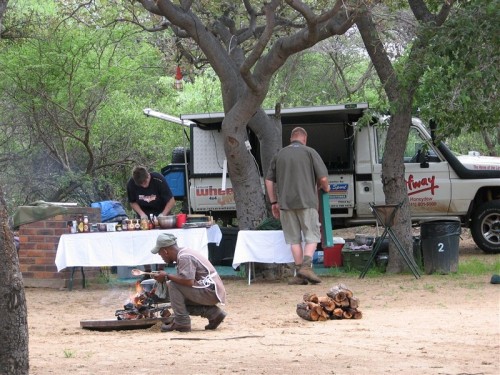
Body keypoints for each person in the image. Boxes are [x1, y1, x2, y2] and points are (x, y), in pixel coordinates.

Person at [265, 126, 330, 285]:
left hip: (286, 205)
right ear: (304, 139)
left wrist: (274, 202)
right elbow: (322, 179)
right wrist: (326, 188)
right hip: (307, 202)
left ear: (291, 139)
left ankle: (300, 274)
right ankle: (306, 268)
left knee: (294, 240)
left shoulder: (279, 154)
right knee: (312, 236)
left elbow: (268, 180)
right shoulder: (310, 152)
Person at [150, 233, 227, 332]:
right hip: (210, 290)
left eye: (160, 253)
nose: (161, 257)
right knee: (177, 300)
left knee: (173, 286)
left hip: (210, 291)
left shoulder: (184, 257)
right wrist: (161, 285)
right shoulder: (183, 253)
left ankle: (182, 323)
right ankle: (214, 314)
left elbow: (188, 281)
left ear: (165, 251)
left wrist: (166, 276)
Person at [127, 165, 176, 274]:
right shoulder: (131, 183)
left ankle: (160, 270)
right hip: (144, 215)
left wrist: (163, 214)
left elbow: (171, 200)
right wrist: (141, 214)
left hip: (161, 212)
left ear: (148, 175)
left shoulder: (158, 179)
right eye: (141, 184)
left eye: (145, 182)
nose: (144, 186)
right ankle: (147, 271)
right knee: (143, 241)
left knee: (163, 241)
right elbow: (132, 201)